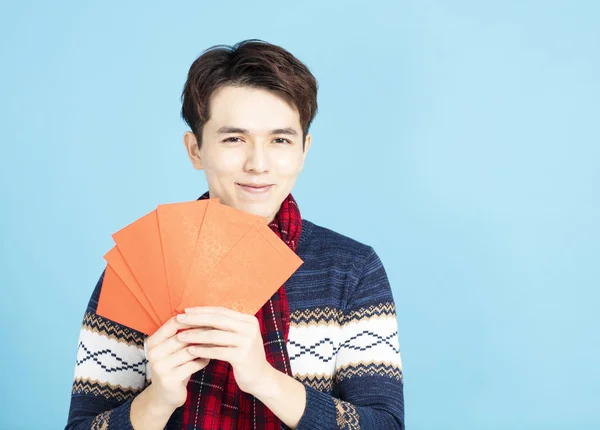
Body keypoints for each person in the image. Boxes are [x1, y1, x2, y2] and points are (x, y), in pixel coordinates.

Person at [66, 39, 404, 430]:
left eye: (280, 140)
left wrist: (264, 379)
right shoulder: (140, 269)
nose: (258, 164)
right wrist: (158, 401)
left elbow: (385, 425)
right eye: (233, 139)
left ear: (303, 150)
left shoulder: (351, 270)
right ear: (195, 150)